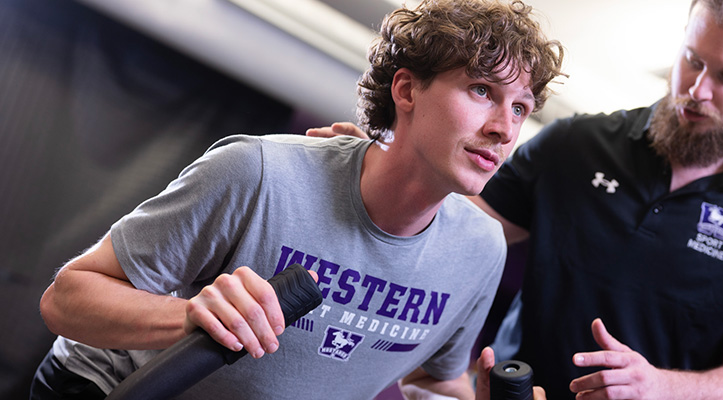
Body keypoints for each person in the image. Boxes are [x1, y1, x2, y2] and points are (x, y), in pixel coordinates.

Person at [31, 0, 565, 399]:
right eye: (482, 91)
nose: (504, 129)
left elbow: (433, 379)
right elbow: (66, 299)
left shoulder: (481, 250)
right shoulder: (260, 173)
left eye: (520, 108)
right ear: (406, 91)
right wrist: (191, 317)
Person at [307, 0, 723, 398]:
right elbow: (450, 226)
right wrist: (387, 170)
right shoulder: (578, 144)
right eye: (692, 60)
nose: (698, 89)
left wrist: (658, 387)